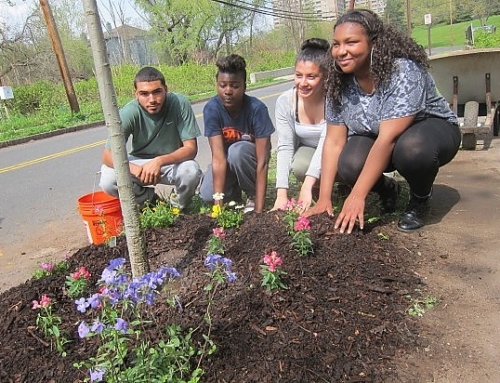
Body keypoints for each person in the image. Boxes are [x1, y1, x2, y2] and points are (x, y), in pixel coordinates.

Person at [305, 9, 461, 233]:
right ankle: (388, 189)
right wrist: (324, 198)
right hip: (381, 136)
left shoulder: (402, 71)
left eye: (351, 42)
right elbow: (333, 142)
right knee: (350, 162)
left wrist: (357, 195)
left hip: (429, 131)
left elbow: (389, 138)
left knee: (411, 149)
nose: (341, 51)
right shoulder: (339, 83)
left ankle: (420, 199)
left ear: (373, 44)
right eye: (336, 44)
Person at [99, 66, 202, 209]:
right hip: (141, 165)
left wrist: (158, 161)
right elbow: (107, 156)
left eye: (157, 92)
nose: (152, 99)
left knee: (191, 171)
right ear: (136, 94)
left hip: (170, 162)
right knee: (108, 179)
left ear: (166, 89)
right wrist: (136, 170)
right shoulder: (129, 112)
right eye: (144, 94)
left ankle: (177, 208)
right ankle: (152, 202)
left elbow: (191, 149)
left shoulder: (179, 103)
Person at [199, 54, 275, 213]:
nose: (228, 91)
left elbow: (263, 162)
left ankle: (253, 195)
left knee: (237, 151)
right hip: (227, 161)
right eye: (223, 85)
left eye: (234, 85)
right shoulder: (212, 109)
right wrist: (217, 208)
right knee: (208, 194)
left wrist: (259, 212)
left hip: (250, 162)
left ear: (244, 86)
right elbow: (218, 158)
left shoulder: (257, 109)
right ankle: (233, 195)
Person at [272, 38, 330, 212]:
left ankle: (380, 187)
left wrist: (306, 186)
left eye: (311, 76)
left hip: (337, 149)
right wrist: (281, 194)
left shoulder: (333, 99)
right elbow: (285, 146)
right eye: (298, 75)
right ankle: (319, 189)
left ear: (325, 77)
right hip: (309, 149)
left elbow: (326, 143)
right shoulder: (285, 101)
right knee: (299, 166)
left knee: (348, 166)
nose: (303, 83)